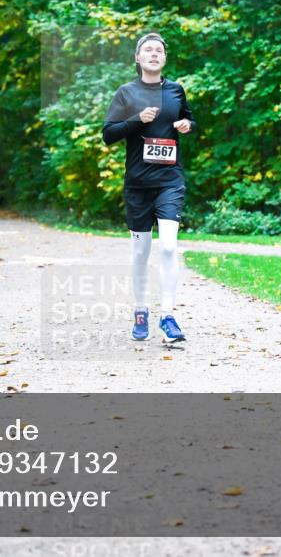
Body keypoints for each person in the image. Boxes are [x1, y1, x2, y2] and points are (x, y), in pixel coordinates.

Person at [102, 32, 195, 343]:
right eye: (148, 50)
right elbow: (108, 134)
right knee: (140, 252)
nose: (154, 54)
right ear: (138, 58)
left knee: (169, 246)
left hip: (170, 181)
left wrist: (187, 125)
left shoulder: (176, 91)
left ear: (164, 58)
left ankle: (168, 316)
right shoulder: (126, 93)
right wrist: (137, 120)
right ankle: (140, 310)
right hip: (138, 185)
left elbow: (188, 120)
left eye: (159, 50)